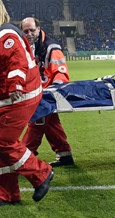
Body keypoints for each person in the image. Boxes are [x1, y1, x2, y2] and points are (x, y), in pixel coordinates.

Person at [0, 0, 54, 207]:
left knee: (2, 142)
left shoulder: (5, 33)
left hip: (19, 95)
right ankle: (8, 194)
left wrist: (15, 84)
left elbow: (15, 61)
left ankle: (41, 173)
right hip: (4, 98)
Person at [20, 17, 75, 167]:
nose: (29, 33)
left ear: (39, 28)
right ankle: (65, 154)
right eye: (26, 31)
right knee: (51, 124)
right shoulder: (28, 45)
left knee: (37, 121)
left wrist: (53, 93)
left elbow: (60, 72)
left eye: (32, 30)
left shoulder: (51, 47)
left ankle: (24, 156)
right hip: (38, 91)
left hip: (49, 93)